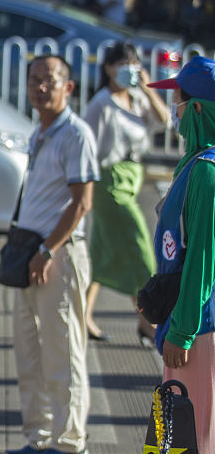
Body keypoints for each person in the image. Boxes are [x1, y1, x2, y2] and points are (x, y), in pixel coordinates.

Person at [2, 55, 97, 454]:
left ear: (68, 87)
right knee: (30, 349)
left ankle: (71, 440)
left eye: (50, 80)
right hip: (32, 253)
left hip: (57, 253)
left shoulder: (75, 134)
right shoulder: (40, 132)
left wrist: (48, 250)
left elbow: (82, 203)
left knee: (63, 349)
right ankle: (39, 434)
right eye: (35, 80)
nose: (42, 87)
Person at [144, 56, 215, 454]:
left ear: (199, 110)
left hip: (199, 333)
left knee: (198, 449)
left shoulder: (207, 172)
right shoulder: (193, 165)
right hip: (185, 327)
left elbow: (204, 262)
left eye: (179, 97)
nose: (173, 106)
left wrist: (185, 331)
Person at [82, 43, 168, 342]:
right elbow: (87, 146)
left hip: (132, 178)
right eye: (121, 64)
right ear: (107, 68)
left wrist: (147, 89)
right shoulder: (101, 103)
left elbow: (164, 120)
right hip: (110, 183)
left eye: (132, 64)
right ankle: (147, 321)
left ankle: (81, 316)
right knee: (140, 251)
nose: (127, 69)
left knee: (102, 255)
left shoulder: (135, 98)